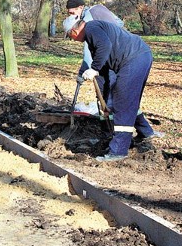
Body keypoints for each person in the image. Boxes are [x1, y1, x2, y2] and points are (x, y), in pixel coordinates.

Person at [66, 0, 162, 142]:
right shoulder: (97, 11)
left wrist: (90, 69)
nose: (73, 16)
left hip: (116, 59)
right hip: (115, 57)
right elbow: (115, 29)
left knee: (112, 100)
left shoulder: (89, 21)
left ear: (80, 7)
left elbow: (95, 49)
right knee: (123, 98)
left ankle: (111, 135)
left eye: (73, 13)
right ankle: (145, 131)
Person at [63, 15, 156, 161]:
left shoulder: (91, 28)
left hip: (134, 58)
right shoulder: (93, 34)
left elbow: (105, 47)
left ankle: (118, 151)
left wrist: (94, 68)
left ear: (73, 32)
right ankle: (143, 133)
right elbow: (104, 64)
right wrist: (106, 100)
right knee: (124, 100)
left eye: (70, 37)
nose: (73, 40)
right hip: (138, 56)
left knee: (123, 102)